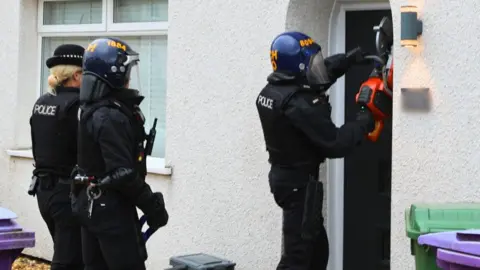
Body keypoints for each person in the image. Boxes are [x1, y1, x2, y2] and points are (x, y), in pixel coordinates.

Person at [256, 31, 376, 270]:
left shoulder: (275, 89)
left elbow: (320, 74)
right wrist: (363, 122)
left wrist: (349, 59)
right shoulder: (298, 105)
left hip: (291, 180)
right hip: (297, 185)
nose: (317, 66)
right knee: (298, 258)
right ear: (298, 67)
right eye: (311, 62)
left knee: (317, 251)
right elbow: (335, 143)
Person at [72, 37, 169, 270]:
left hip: (90, 206)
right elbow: (123, 172)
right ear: (113, 73)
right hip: (111, 213)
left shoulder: (91, 109)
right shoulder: (109, 115)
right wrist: (151, 205)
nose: (128, 79)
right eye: (127, 71)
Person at [29, 44, 85, 270]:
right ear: (77, 75)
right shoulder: (79, 106)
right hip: (67, 194)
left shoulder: (42, 103)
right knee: (68, 260)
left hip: (44, 192)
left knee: (69, 253)